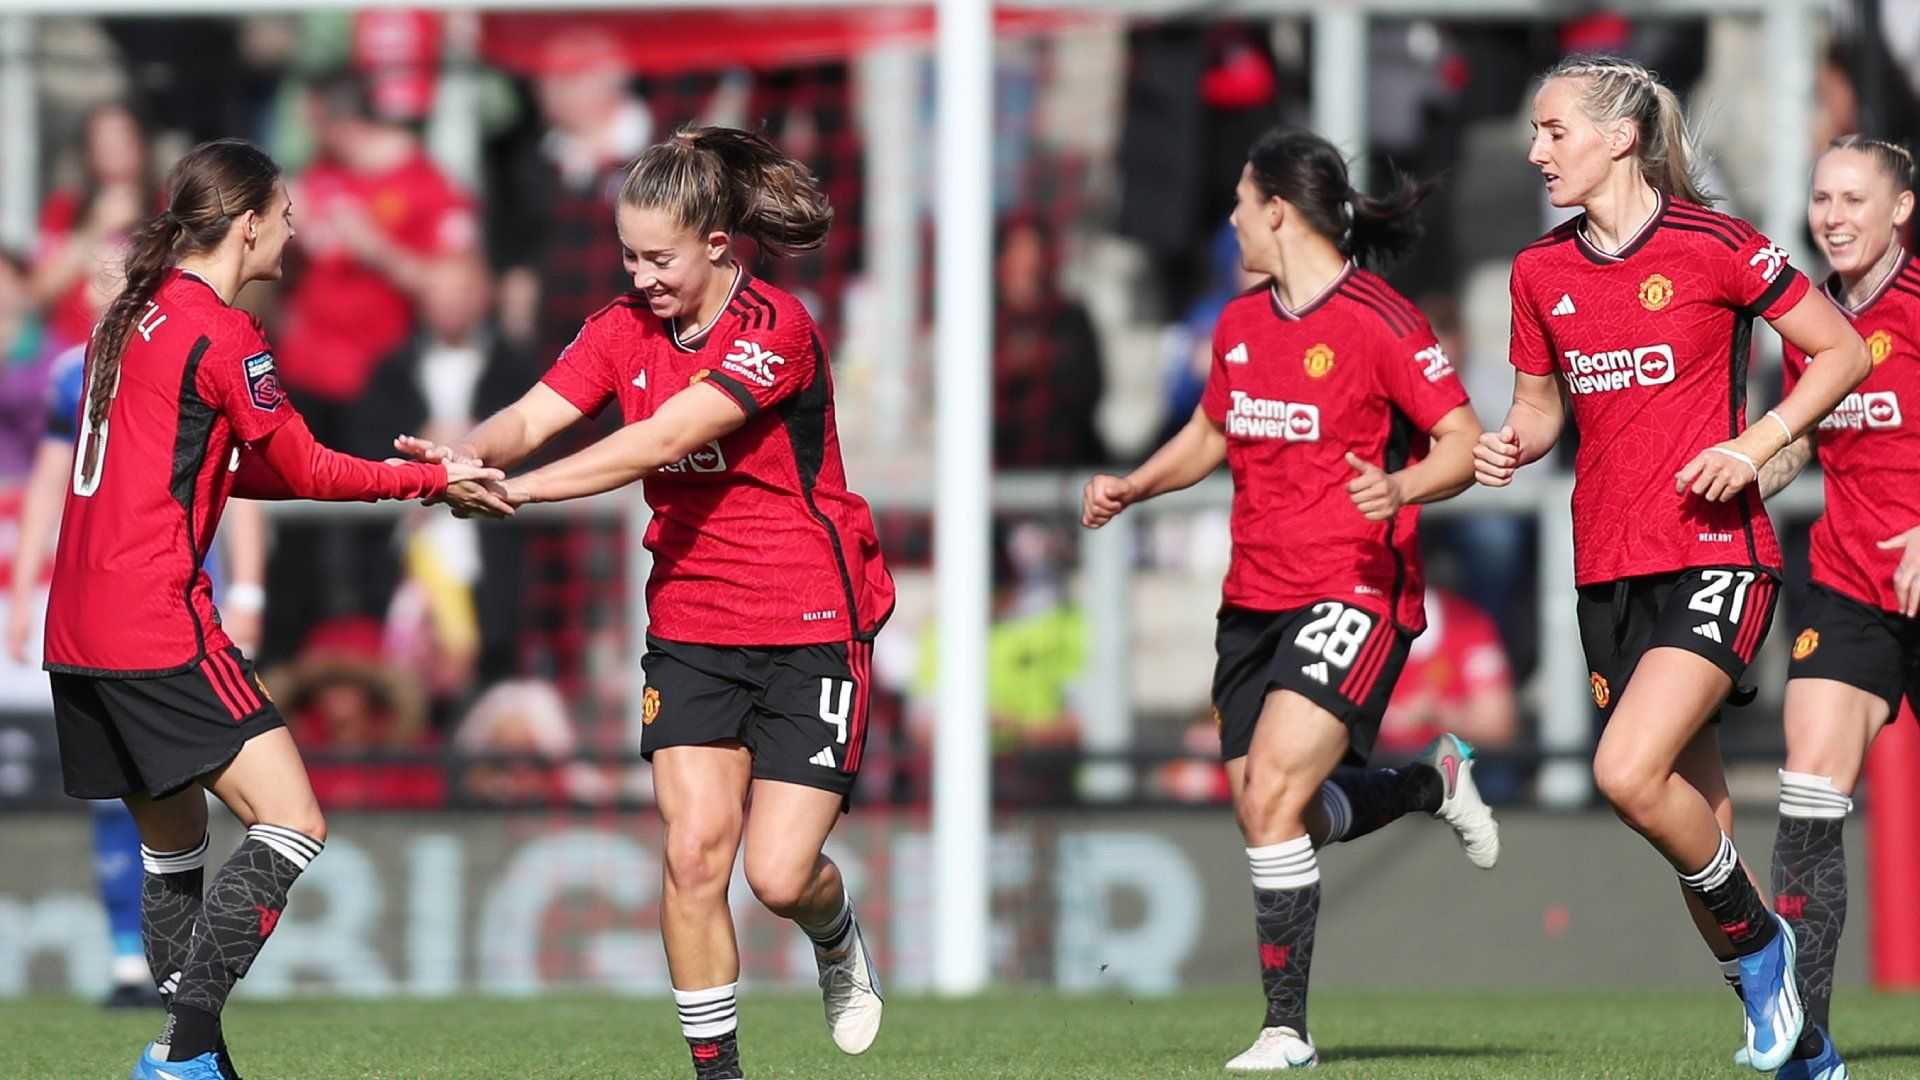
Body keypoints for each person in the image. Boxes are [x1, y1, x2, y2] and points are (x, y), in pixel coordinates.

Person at [396, 125, 894, 1080]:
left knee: (778, 874)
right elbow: (533, 415)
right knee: (693, 854)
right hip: (693, 626)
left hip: (810, 623)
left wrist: (520, 491)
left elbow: (658, 440)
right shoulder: (621, 327)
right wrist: (470, 452)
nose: (642, 276)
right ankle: (718, 1073)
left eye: (660, 259)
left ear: (718, 244)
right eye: (629, 255)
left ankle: (834, 934)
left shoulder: (778, 329)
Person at [37, 137, 495, 1080]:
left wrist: (401, 476)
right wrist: (426, 480)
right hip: (154, 618)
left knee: (174, 851)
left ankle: (197, 1062)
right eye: (285, 214)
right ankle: (179, 1051)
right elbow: (309, 466)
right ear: (247, 224)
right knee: (292, 822)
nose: (296, 229)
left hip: (76, 626)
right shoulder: (222, 333)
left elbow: (221, 465)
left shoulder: (127, 316)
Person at [1473, 55, 1871, 1073]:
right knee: (1694, 822)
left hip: (1714, 555)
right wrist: (1508, 443)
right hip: (1607, 572)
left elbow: (1843, 351)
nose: (1536, 152)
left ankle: (1768, 955)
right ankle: (1804, 1047)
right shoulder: (1539, 272)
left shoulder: (1716, 246)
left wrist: (1756, 442)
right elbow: (1539, 410)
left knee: (1624, 773)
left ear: (1619, 137)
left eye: (1554, 131)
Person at [1081, 127, 1499, 1071]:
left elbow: (1464, 442)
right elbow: (1211, 433)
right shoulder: (1239, 324)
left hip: (1355, 586)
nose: (1230, 221)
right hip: (1254, 599)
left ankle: (1285, 1031)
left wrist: (1401, 486)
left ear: (1277, 210)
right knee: (1276, 812)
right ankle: (1431, 783)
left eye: (1240, 204)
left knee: (1272, 793)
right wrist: (1136, 484)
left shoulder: (1382, 321)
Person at [7, 339, 267, 1011]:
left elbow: (237, 476)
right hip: (110, 609)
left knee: (202, 789)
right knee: (124, 790)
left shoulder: (197, 350)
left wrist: (249, 591)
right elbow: (52, 478)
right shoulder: (79, 370)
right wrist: (24, 588)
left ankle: (184, 965)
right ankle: (137, 961)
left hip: (185, 606)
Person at [1748, 134, 1920, 1080]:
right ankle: (1805, 1045)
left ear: (1901, 209)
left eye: (1855, 199)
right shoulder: (1807, 320)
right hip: (1852, 583)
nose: (1834, 217)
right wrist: (1740, 470)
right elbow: (1802, 439)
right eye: (1822, 199)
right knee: (1809, 785)